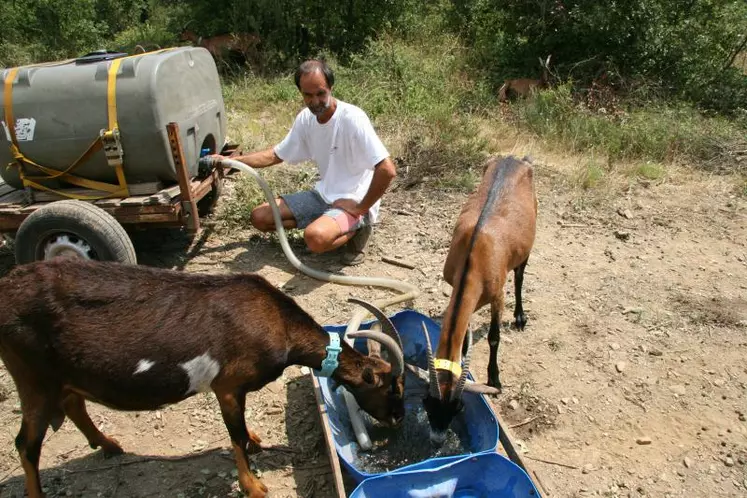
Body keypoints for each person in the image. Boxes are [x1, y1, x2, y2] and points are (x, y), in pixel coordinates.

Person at [211, 59, 396, 265]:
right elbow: (275, 155)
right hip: (323, 195)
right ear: (300, 93)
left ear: (331, 88)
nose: (315, 101)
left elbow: (387, 170)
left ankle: (360, 227)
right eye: (308, 95)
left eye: (320, 93)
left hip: (353, 198)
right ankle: (326, 226)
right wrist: (230, 161)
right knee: (260, 217)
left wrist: (362, 207)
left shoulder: (352, 119)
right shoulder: (306, 119)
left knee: (315, 240)